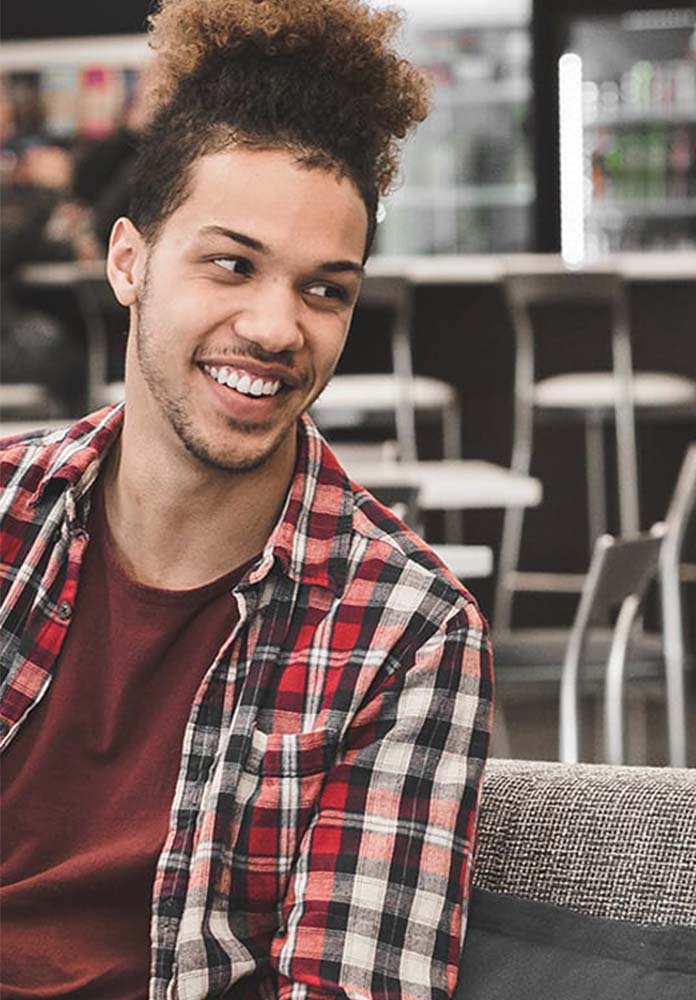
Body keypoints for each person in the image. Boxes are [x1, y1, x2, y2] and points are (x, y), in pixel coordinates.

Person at [0, 2, 493, 998]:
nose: (275, 327)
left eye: (325, 290)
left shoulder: (407, 631)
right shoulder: (10, 510)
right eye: (232, 264)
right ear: (129, 261)